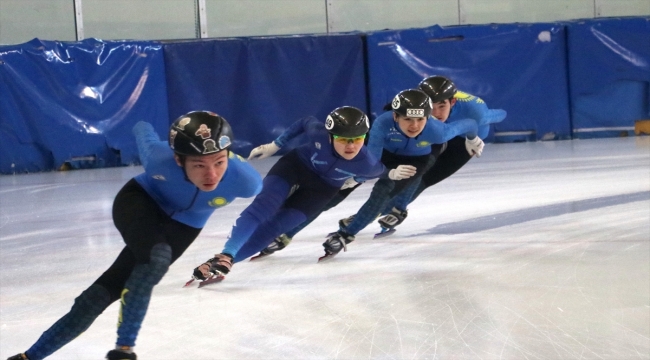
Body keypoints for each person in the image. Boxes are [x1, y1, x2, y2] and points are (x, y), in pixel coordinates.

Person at [7, 111, 263, 360]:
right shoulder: (158, 158)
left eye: (220, 162)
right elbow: (143, 129)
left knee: (101, 295)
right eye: (199, 165)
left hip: (186, 223)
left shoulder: (246, 182)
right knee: (156, 257)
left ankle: (27, 357)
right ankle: (124, 351)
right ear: (178, 160)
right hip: (141, 201)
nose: (212, 175)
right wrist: (141, 121)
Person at [256, 88, 483, 259]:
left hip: (416, 158)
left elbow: (470, 123)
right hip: (384, 155)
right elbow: (370, 160)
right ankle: (285, 233)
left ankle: (347, 234)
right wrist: (355, 177)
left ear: (427, 118)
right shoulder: (383, 123)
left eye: (420, 120)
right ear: (395, 117)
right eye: (407, 119)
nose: (414, 126)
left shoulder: (437, 131)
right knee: (331, 193)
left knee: (382, 192)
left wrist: (473, 138)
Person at [191, 106, 416, 276]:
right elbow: (304, 122)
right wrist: (276, 144)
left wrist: (373, 176)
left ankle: (224, 262)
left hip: (322, 188)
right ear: (330, 135)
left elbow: (379, 172)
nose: (351, 146)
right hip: (295, 167)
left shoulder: (366, 163)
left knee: (276, 227)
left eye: (357, 139)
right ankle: (228, 252)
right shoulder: (319, 133)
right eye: (344, 139)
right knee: (263, 206)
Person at [376, 75, 507, 231]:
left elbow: (499, 114)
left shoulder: (476, 112)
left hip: (463, 139)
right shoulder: (416, 105)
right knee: (416, 169)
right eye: (431, 107)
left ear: (452, 102)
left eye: (441, 106)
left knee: (429, 177)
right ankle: (381, 210)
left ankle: (396, 210)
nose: (436, 113)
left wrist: (504, 113)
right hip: (438, 132)